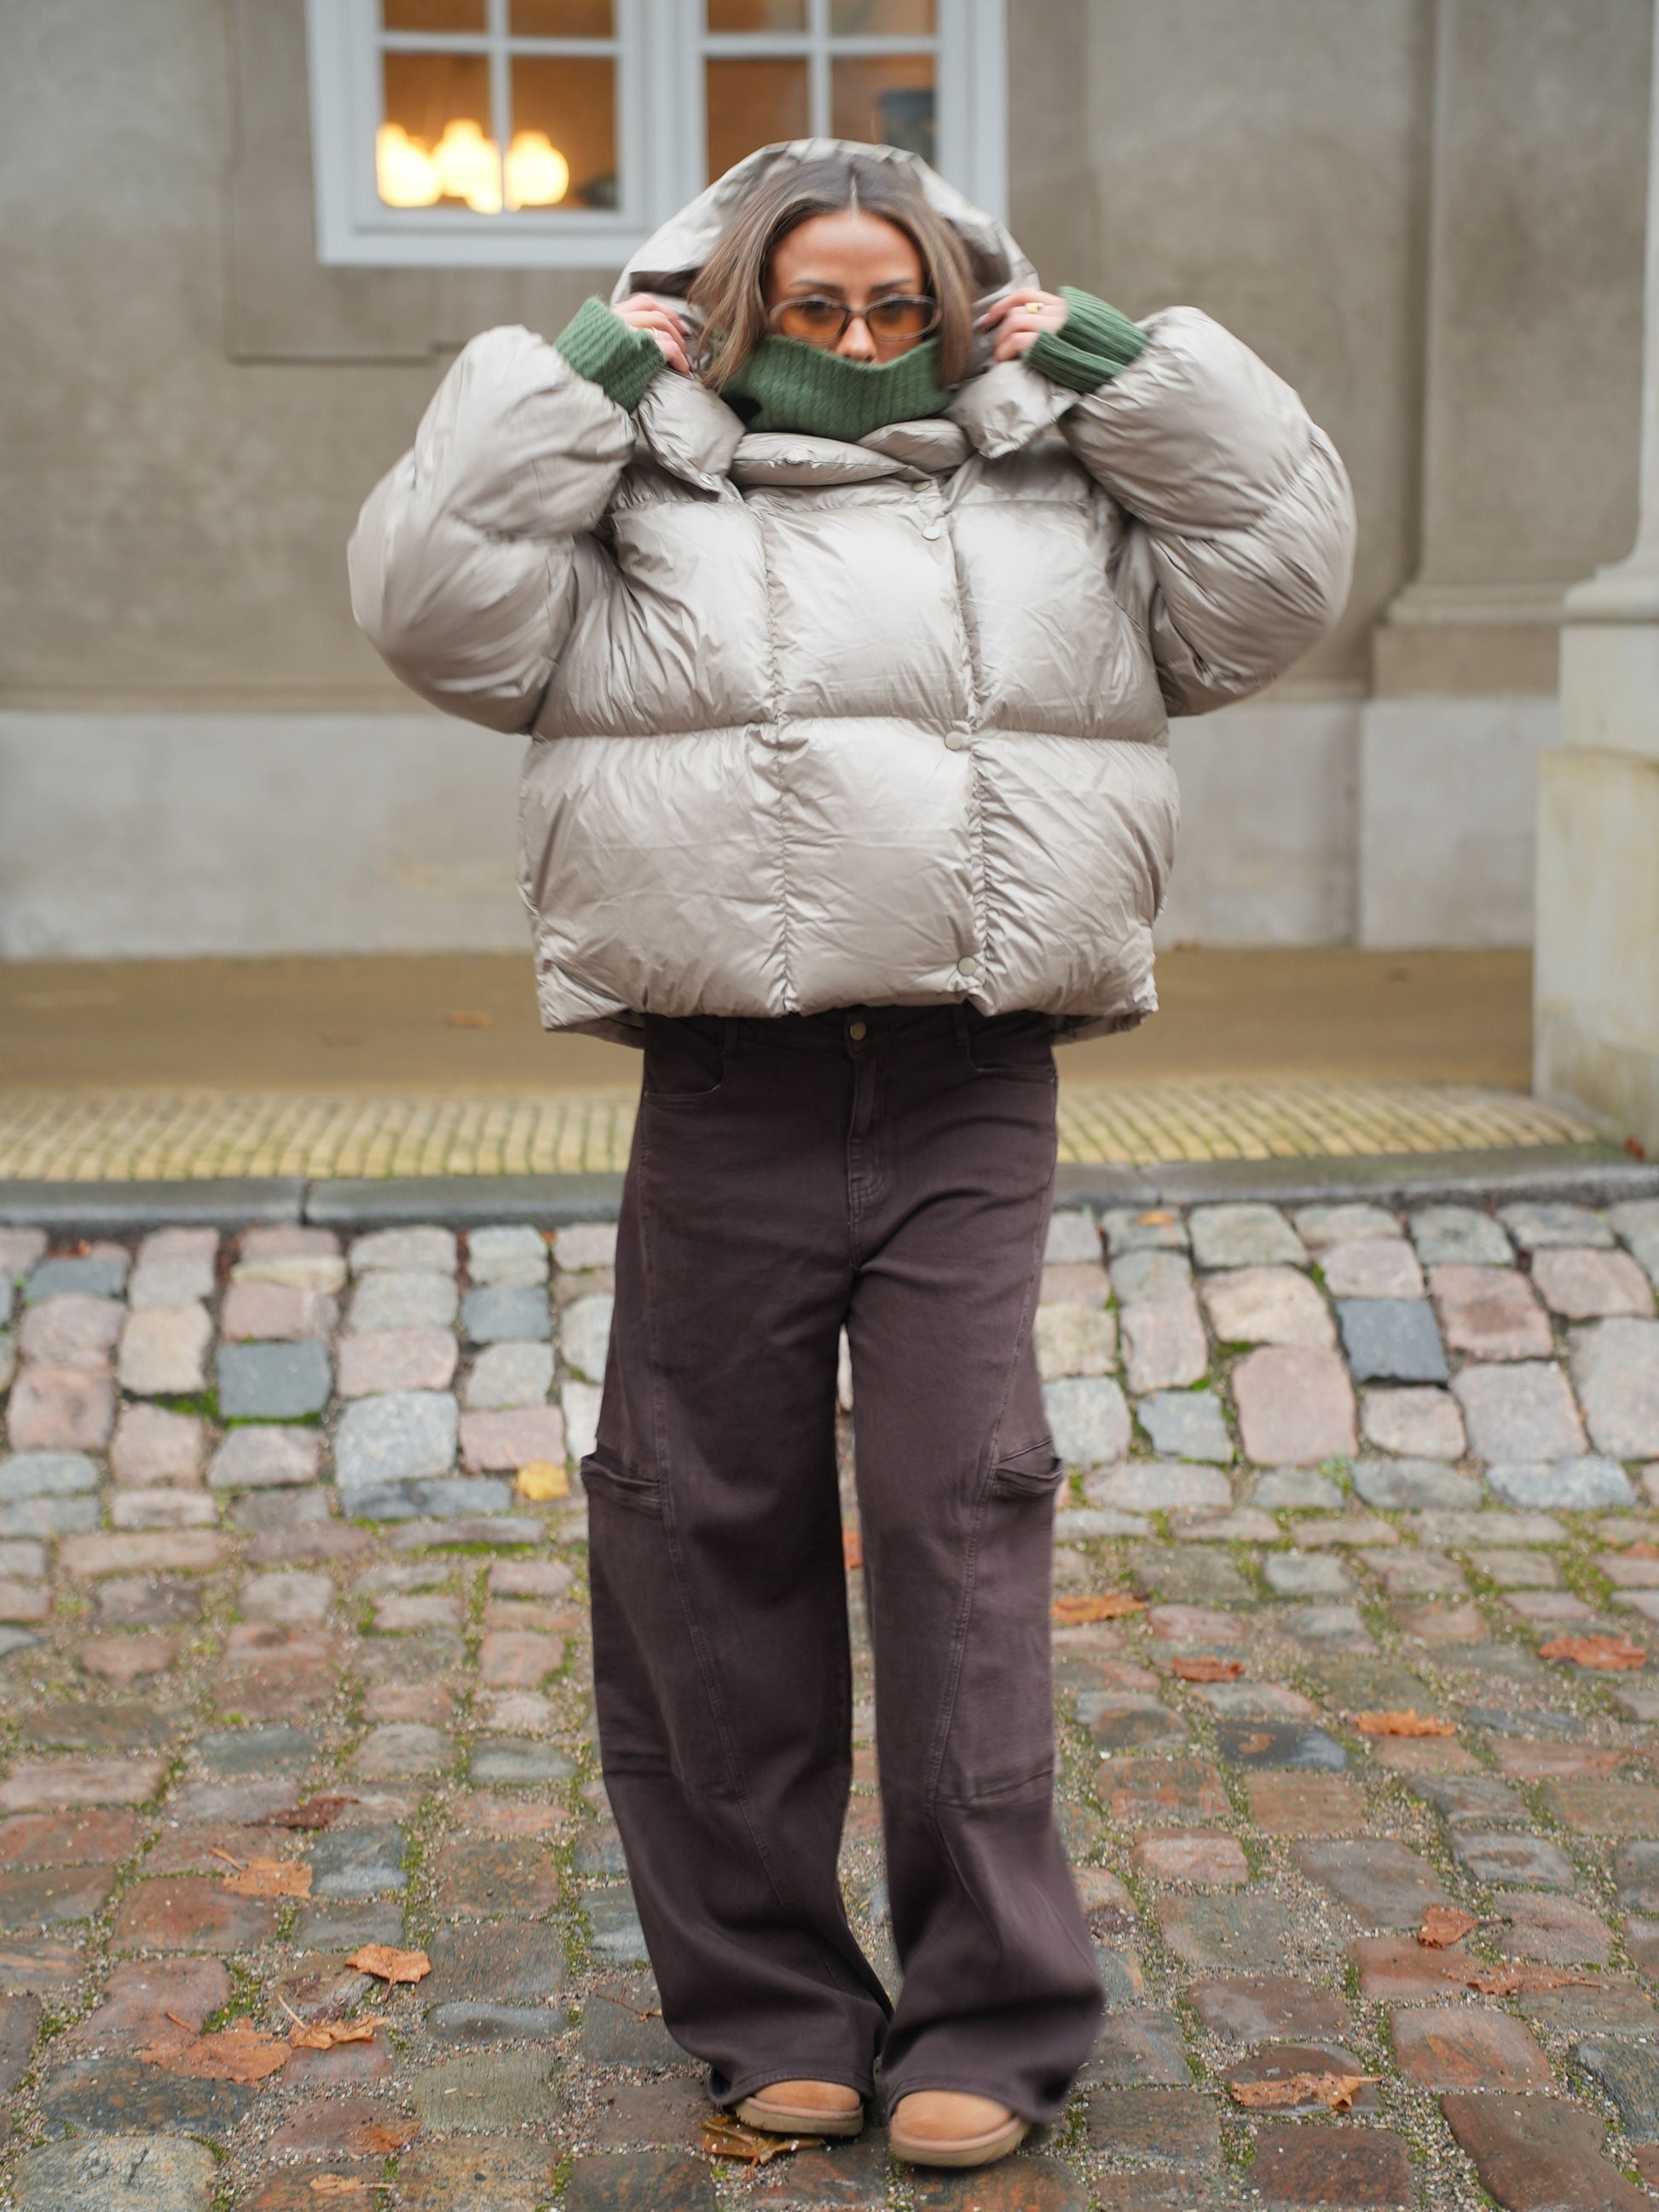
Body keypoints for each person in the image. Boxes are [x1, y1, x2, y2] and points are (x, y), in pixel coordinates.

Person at [350, 136, 1355, 2171]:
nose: (859, 337)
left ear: (959, 299)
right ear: (733, 307)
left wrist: (1123, 369)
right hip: (726, 1078)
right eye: (812, 305)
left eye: (898, 304)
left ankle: (994, 2005)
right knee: (699, 1520)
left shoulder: (1052, 476)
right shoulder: (640, 480)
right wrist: (572, 386)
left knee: (955, 1511)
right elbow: (433, 615)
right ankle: (768, 2000)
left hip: (971, 1071)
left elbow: (1273, 583)